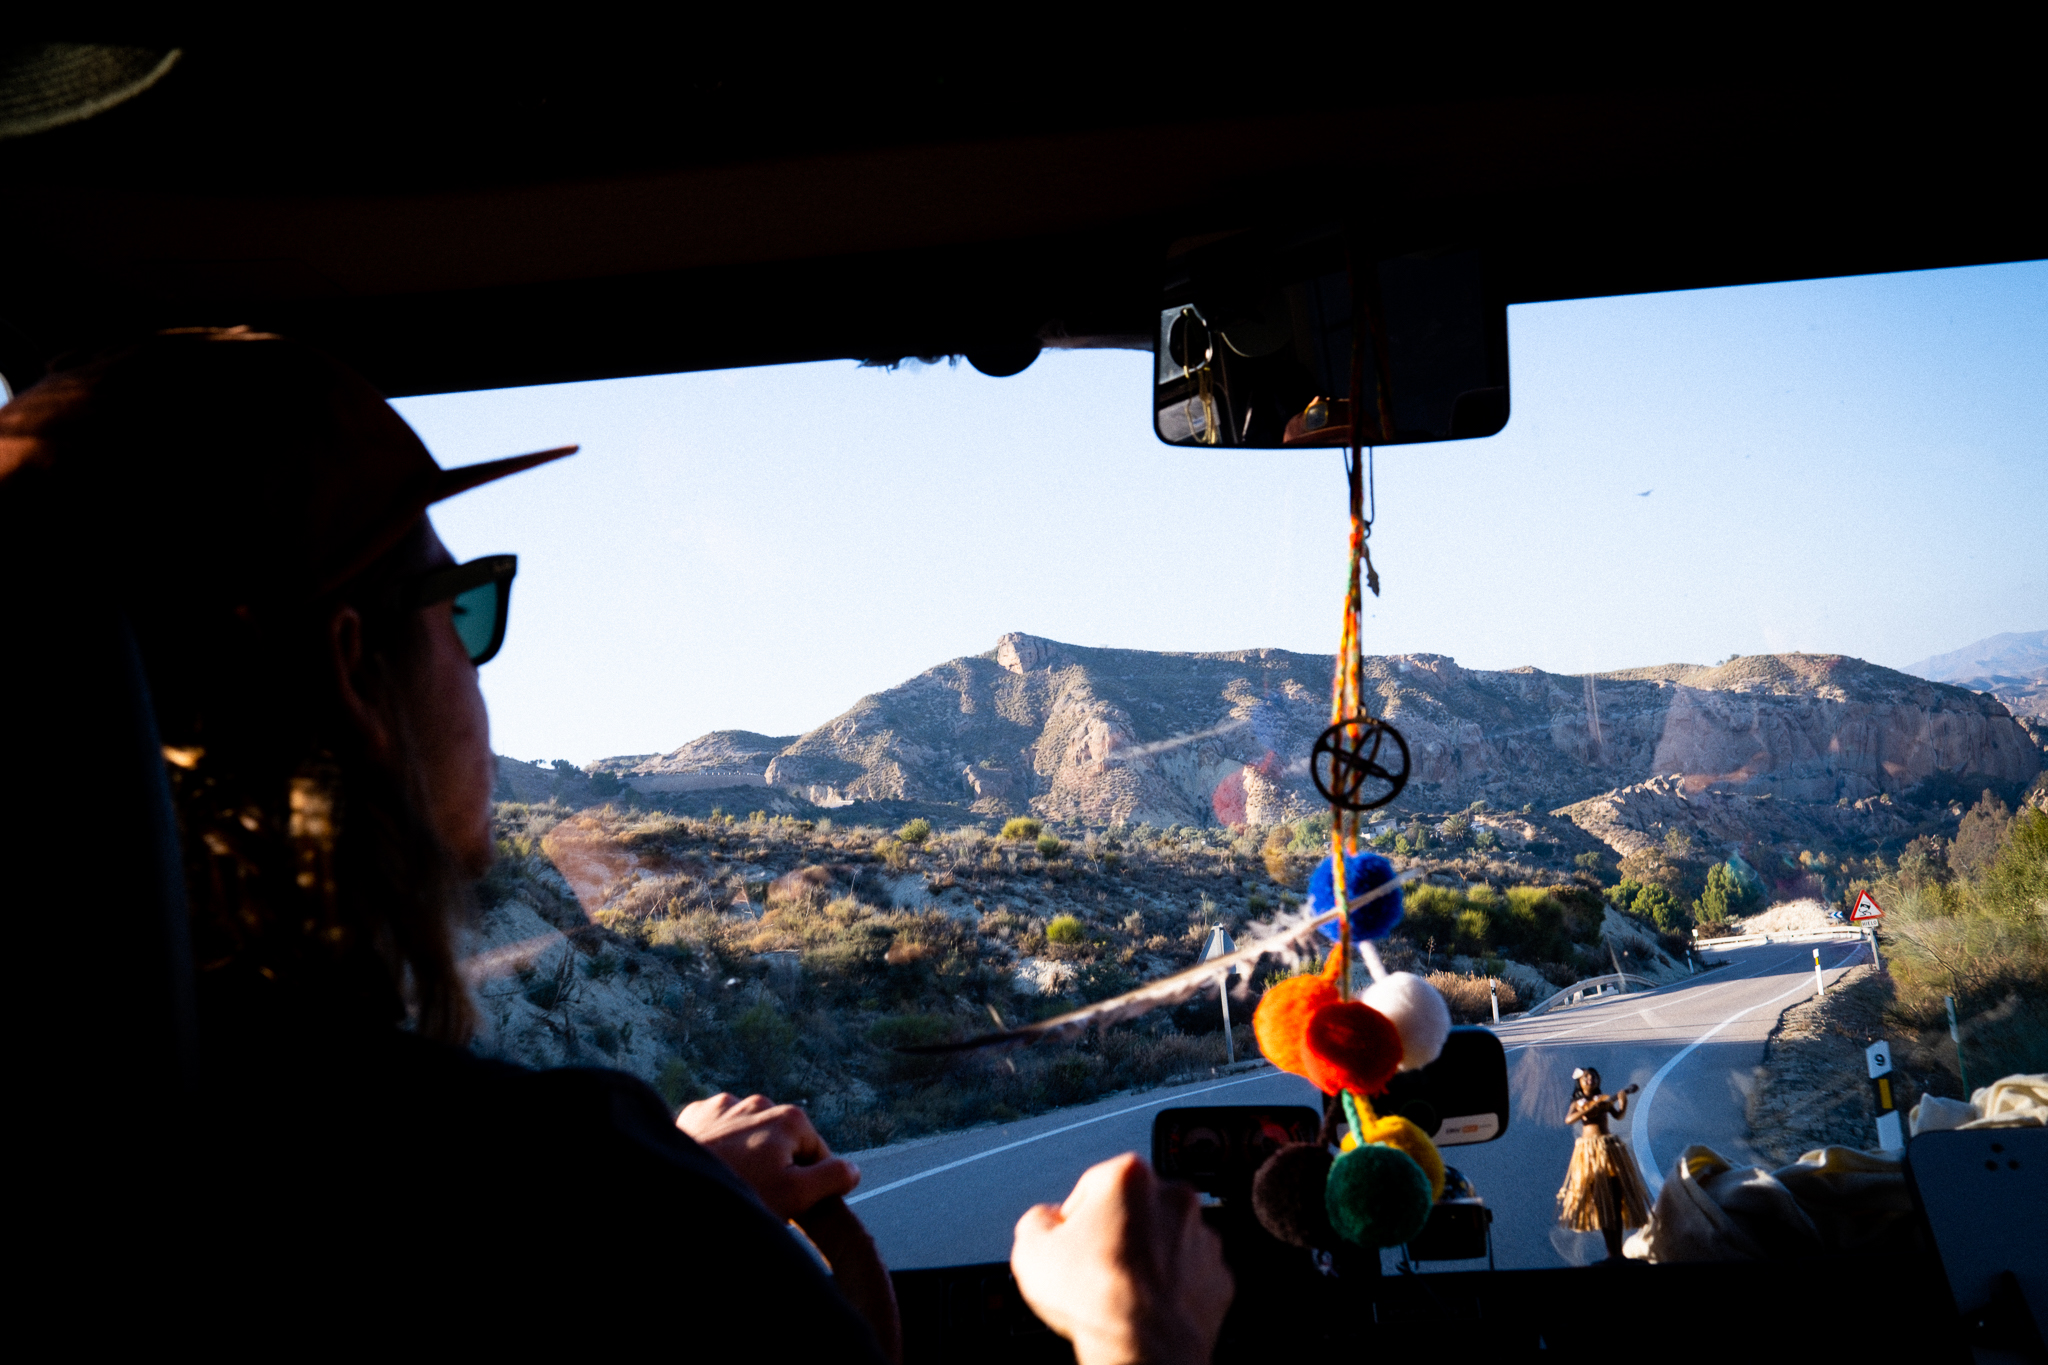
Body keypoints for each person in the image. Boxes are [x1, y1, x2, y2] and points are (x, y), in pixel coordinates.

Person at [0, 329, 1230, 1358]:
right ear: (353, 669)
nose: (480, 664)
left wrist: (685, 1193)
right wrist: (1138, 1331)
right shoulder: (554, 1193)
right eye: (463, 607)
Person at [1557, 1065, 1651, 1261]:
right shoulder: (1578, 1102)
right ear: (1579, 1082)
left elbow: (1618, 1115)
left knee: (1614, 1195)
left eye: (1593, 1077)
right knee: (1601, 1199)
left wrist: (1623, 1101)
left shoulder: (1604, 1099)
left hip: (1608, 1149)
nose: (1590, 1079)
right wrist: (1588, 1109)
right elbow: (1568, 1120)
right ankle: (1612, 1251)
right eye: (1586, 1077)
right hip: (1588, 1152)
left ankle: (1617, 1252)